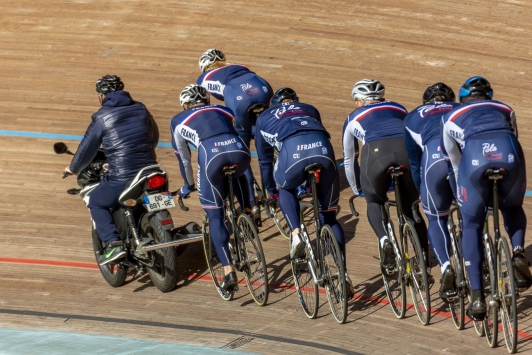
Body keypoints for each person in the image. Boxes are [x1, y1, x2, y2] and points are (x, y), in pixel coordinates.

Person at [441, 76, 532, 319]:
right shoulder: (505, 108)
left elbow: (455, 162)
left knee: (471, 223)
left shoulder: (450, 117)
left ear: (461, 98)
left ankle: (478, 297)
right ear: (489, 96)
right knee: (512, 207)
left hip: (473, 161)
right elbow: (514, 136)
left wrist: (462, 191)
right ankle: (518, 252)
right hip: (508, 153)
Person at [254, 87, 355, 297]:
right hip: (323, 150)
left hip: (293, 151)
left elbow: (264, 162)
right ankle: (343, 275)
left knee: (285, 186)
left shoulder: (264, 117)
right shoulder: (309, 108)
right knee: (329, 216)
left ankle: (297, 233)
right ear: (295, 101)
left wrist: (271, 192)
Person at [64, 75, 159, 265]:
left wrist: (73, 168)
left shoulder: (101, 116)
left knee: (96, 201)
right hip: (151, 168)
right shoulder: (140, 107)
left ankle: (114, 244)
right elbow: (154, 135)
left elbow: (87, 149)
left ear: (101, 96)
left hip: (123, 174)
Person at [170, 84, 252, 292]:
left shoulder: (178, 120)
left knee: (215, 217)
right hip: (239, 151)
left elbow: (184, 160)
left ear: (185, 105)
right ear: (207, 101)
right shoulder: (224, 110)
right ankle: (249, 209)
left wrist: (187, 186)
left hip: (211, 155)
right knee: (238, 171)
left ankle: (228, 270)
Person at [342, 79, 428, 276]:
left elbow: (349, 158)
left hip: (376, 153)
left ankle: (384, 239)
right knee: (410, 205)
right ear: (382, 97)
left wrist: (359, 189)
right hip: (406, 150)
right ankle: (423, 256)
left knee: (375, 201)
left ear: (358, 101)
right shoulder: (398, 107)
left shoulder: (353, 117)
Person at [196, 49, 273, 216]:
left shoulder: (203, 79)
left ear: (204, 67)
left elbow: (205, 107)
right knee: (268, 134)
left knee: (241, 148)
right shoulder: (240, 65)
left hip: (237, 96)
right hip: (262, 86)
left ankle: (251, 203)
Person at [403, 83, 460, 302]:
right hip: (460, 160)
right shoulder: (458, 107)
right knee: (472, 212)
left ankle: (446, 267)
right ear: (450, 97)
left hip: (432, 162)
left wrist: (421, 191)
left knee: (436, 218)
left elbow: (415, 162)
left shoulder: (412, 116)